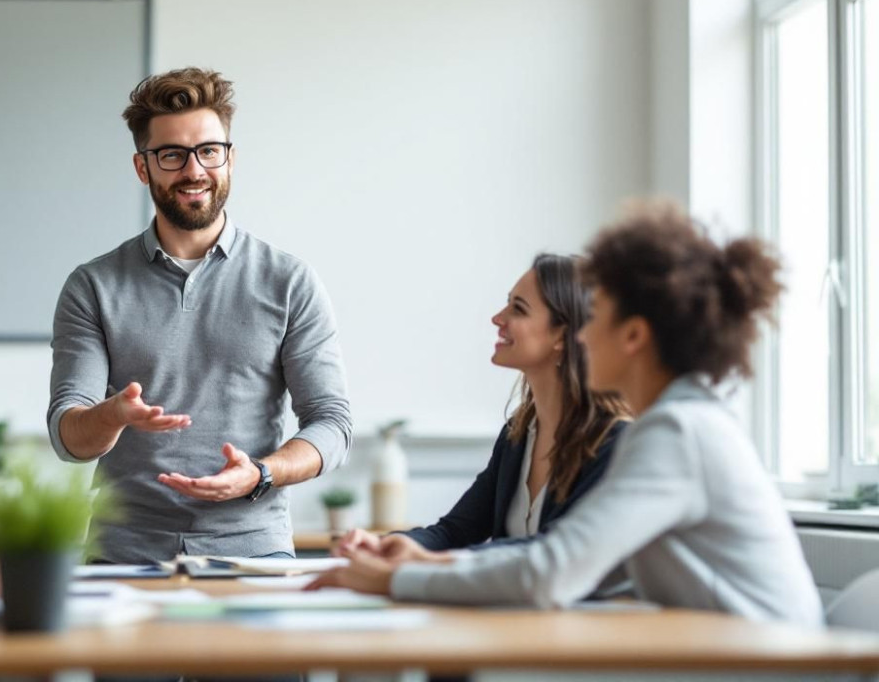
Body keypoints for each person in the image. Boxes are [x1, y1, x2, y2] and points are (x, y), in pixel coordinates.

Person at [310, 202, 824, 626]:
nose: (584, 334)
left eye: (596, 317)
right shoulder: (678, 424)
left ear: (633, 336)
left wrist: (397, 579)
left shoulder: (677, 432)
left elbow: (551, 571)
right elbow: (575, 566)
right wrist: (417, 560)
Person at [48, 67, 353, 564]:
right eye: (172, 155)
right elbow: (68, 438)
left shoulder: (290, 281)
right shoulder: (93, 285)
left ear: (230, 158)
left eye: (209, 151)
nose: (194, 170)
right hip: (123, 557)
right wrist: (114, 414)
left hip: (254, 551)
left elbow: (333, 425)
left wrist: (261, 474)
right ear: (143, 167)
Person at [336, 254, 631, 561]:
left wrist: (437, 562)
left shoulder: (614, 443)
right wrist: (384, 544)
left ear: (562, 335)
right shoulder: (517, 435)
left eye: (518, 309)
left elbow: (554, 552)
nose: (498, 318)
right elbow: (454, 532)